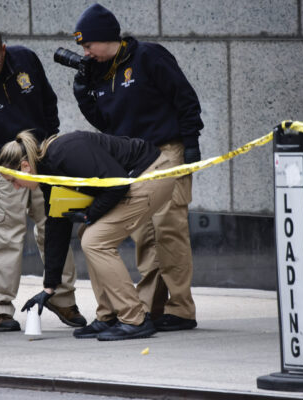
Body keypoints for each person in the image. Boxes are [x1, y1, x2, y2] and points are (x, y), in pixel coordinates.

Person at [70, 3, 204, 331]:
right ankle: (151, 309)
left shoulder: (148, 56)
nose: (85, 53)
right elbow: (105, 123)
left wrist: (191, 144)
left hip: (166, 149)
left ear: (106, 37)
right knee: (144, 234)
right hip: (134, 158)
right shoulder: (101, 71)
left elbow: (185, 99)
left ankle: (181, 309)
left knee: (168, 230)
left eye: (88, 45)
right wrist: (84, 95)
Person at [0, 26, 86, 332]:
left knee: (55, 228)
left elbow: (48, 101)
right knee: (4, 239)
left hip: (43, 161)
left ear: (4, 50)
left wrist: (48, 143)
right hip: (4, 171)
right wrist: (0, 163)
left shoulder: (26, 60)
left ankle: (62, 297)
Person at [0, 129, 183, 341]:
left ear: (24, 167)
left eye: (13, 180)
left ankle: (134, 318)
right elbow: (56, 226)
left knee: (95, 240)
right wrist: (49, 287)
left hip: (151, 172)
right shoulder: (47, 172)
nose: (16, 187)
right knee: (89, 234)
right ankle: (108, 316)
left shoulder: (65, 152)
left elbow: (117, 183)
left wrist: (89, 214)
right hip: (136, 176)